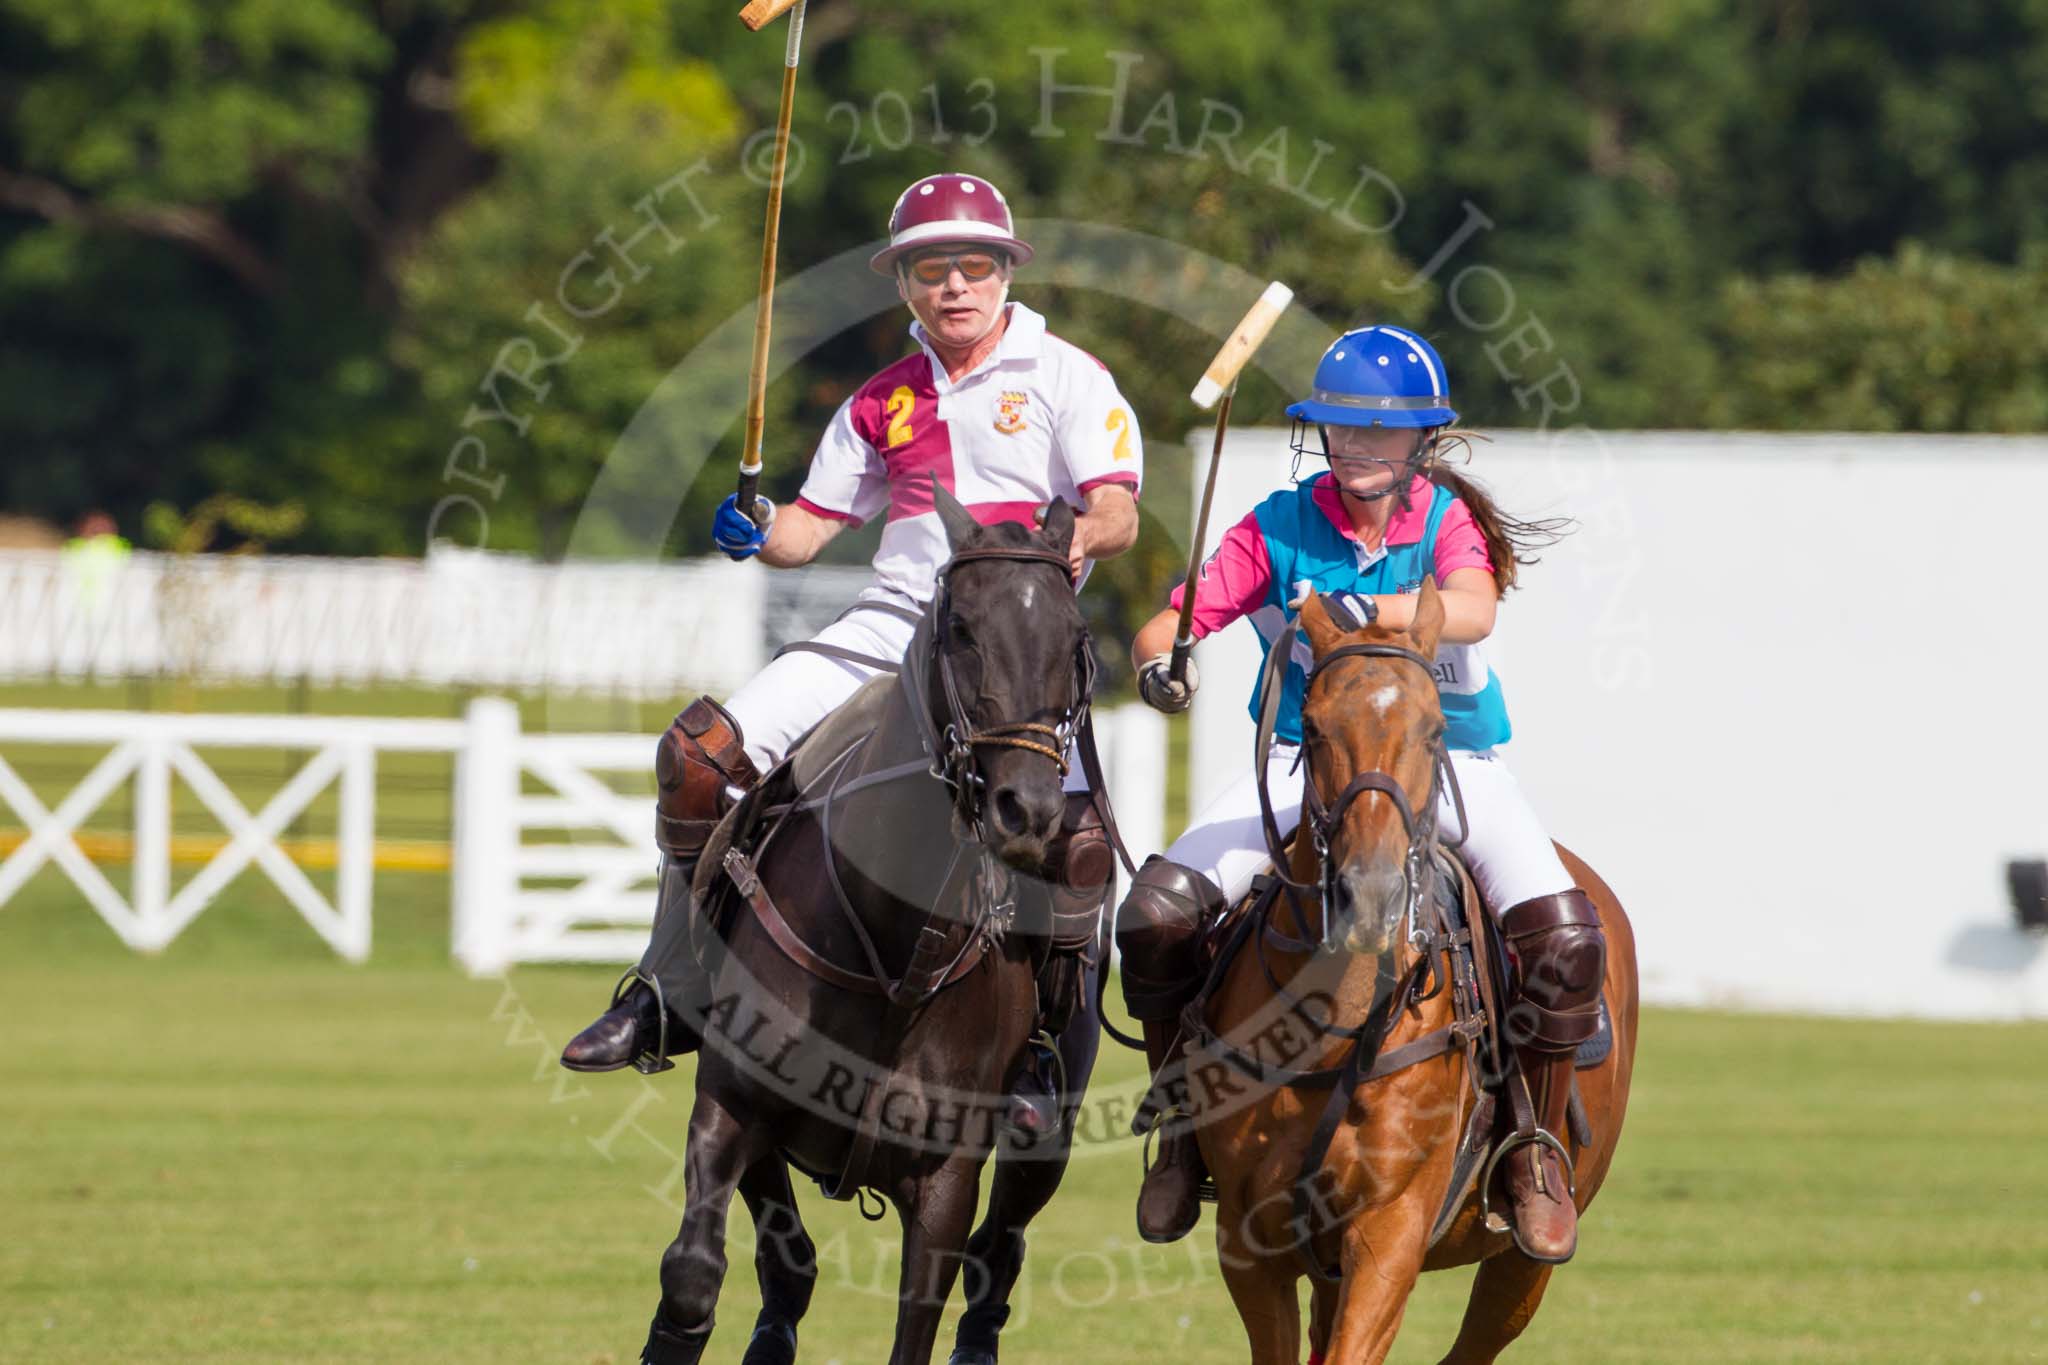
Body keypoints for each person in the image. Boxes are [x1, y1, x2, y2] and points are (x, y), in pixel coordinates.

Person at [561, 172, 1145, 1143]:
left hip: (1005, 653)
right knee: (699, 758)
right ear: (904, 282)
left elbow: (1117, 505)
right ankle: (669, 987)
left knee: (1074, 845)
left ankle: (1041, 1048)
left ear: (1003, 270)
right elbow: (806, 533)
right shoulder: (883, 400)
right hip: (888, 628)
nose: (952, 287)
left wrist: (1079, 537)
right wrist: (755, 521)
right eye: (929, 270)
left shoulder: (1066, 377)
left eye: (971, 266)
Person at [1112, 325, 1605, 1263]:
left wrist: (1354, 610)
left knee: (1566, 936)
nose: (1358, 450)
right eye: (1341, 431)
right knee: (1154, 917)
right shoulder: (1278, 524)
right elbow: (1173, 619)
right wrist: (1160, 664)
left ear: (1422, 442)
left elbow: (1474, 604)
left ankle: (1532, 1145)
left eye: (1381, 435)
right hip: (1311, 761)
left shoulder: (1444, 519)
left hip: (1450, 762)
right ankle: (1182, 1122)